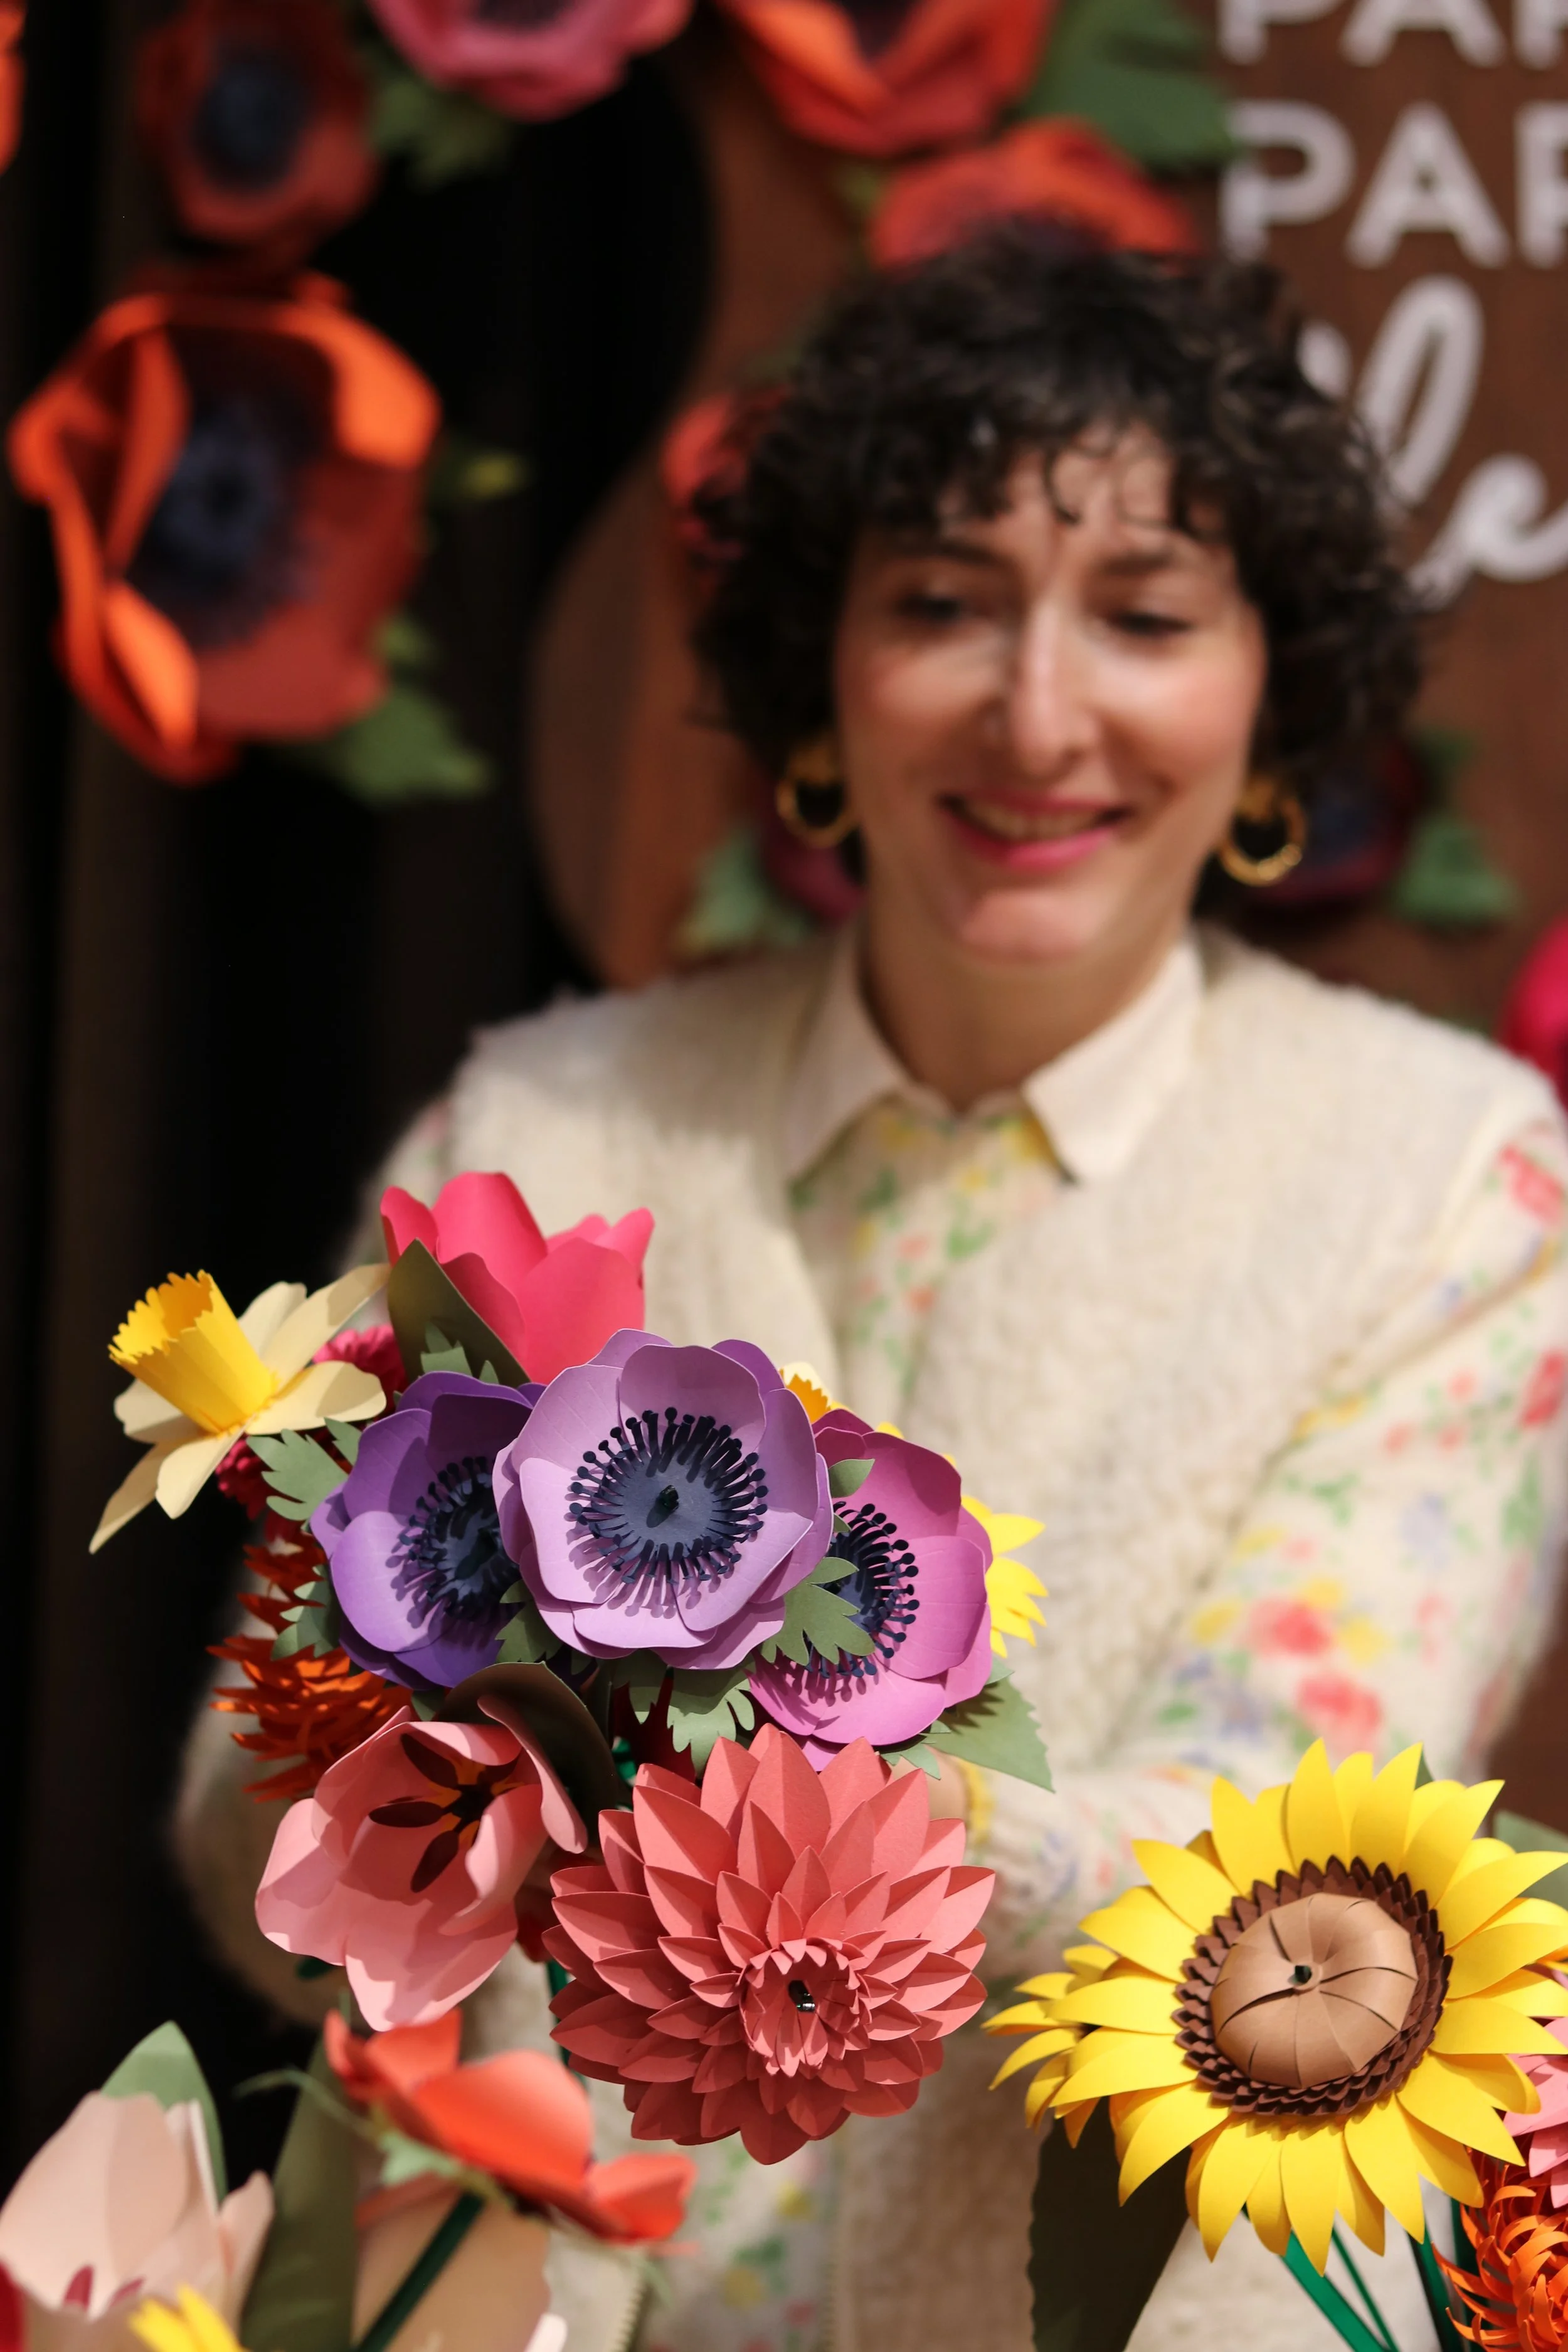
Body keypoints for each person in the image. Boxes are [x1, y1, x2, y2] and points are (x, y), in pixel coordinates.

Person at [177, 233, 1568, 2352]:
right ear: (817, 672)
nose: (1035, 711)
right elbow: (251, 1806)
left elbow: (1296, 1888)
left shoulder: (1439, 1183)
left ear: (1267, 693)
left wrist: (681, 1757)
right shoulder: (538, 1130)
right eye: (936, 601)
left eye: (1144, 614)